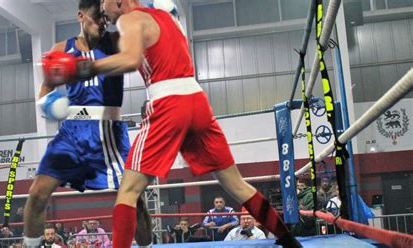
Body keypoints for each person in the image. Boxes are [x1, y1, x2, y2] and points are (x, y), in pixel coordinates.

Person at [41, 0, 302, 247]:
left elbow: (130, 59)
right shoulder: (164, 17)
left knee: (128, 191)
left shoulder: (130, 19)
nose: (103, 9)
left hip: (168, 103)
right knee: (236, 184)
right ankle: (287, 238)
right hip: (197, 102)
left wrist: (81, 69)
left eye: (105, 3)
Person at [23, 1, 151, 247]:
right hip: (72, 133)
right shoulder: (62, 49)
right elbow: (45, 91)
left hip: (109, 134)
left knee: (137, 201)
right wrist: (48, 105)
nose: (102, 22)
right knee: (37, 193)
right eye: (97, 17)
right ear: (81, 16)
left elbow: (139, 47)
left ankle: (147, 246)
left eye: (105, 17)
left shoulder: (115, 42)